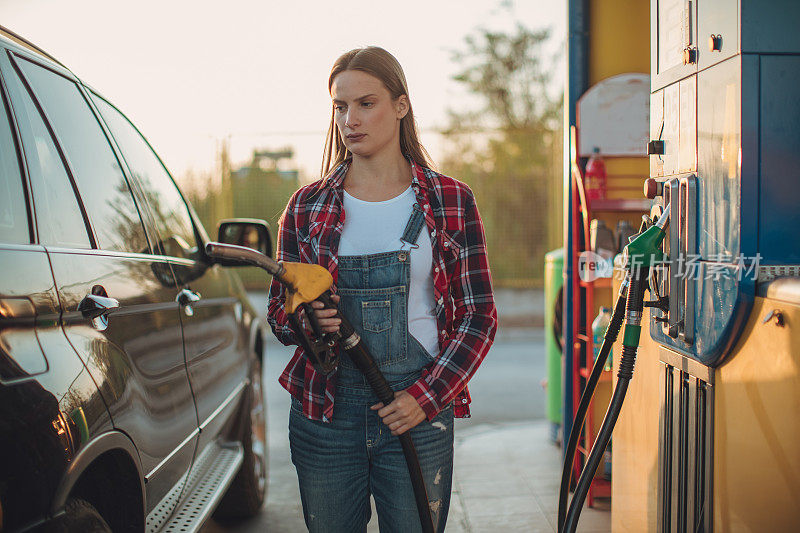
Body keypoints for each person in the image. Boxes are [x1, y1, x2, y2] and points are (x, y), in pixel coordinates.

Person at [267, 46, 496, 533]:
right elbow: (277, 313)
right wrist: (306, 319)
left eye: (366, 103)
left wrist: (426, 397)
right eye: (340, 106)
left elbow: (479, 316)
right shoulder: (306, 206)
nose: (351, 119)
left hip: (415, 407)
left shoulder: (449, 200)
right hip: (325, 412)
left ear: (401, 105)